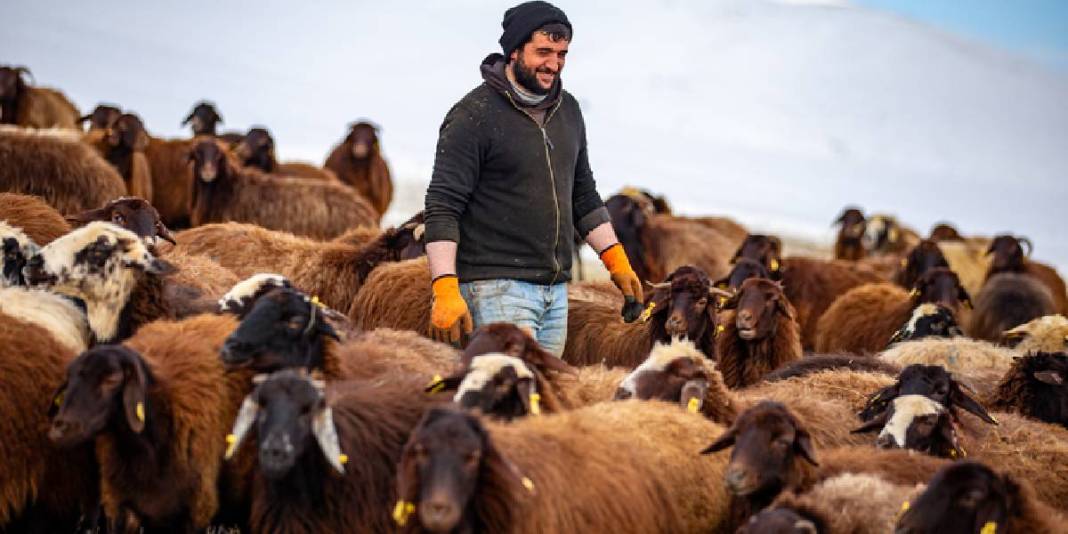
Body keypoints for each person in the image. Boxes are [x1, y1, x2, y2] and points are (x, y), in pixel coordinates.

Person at [423, 1, 642, 355]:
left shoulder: (567, 109)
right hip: (495, 288)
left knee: (543, 404)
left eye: (561, 53)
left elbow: (583, 193)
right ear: (513, 51)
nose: (553, 64)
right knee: (511, 398)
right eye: (543, 52)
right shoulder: (472, 116)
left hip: (555, 292)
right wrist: (445, 286)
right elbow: (442, 206)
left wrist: (615, 259)